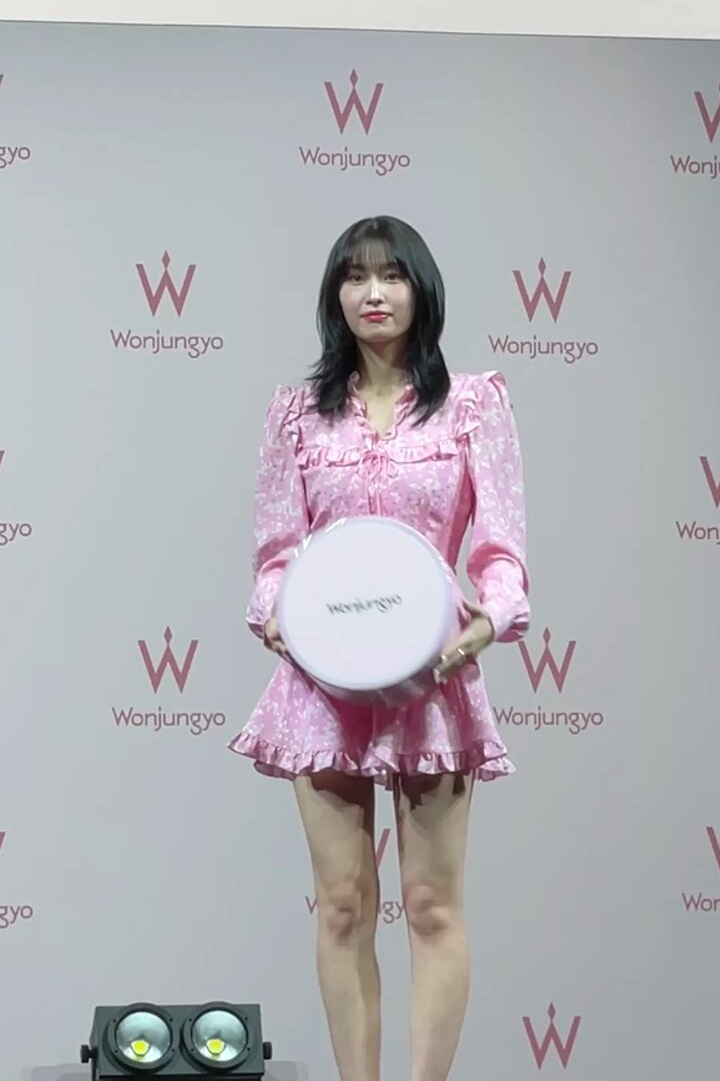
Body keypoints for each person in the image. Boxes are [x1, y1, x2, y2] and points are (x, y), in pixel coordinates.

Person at [229, 215, 530, 1081]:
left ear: (421, 290)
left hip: (434, 679)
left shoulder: (473, 405)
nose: (373, 294)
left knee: (430, 904)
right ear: (334, 296)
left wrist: (488, 619)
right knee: (342, 904)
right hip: (321, 686)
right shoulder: (297, 413)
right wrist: (275, 613)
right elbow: (276, 554)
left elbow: (501, 549)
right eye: (354, 277)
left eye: (391, 276)